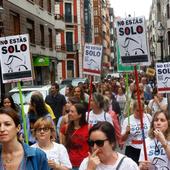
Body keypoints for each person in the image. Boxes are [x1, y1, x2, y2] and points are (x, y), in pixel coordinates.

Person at [121, 100, 152, 164]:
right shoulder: (127, 120)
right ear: (133, 109)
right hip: (132, 149)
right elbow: (122, 139)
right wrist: (126, 133)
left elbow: (152, 132)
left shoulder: (148, 117)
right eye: (137, 110)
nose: (140, 113)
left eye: (142, 110)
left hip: (146, 148)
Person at [60, 103, 89, 170]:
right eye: (69, 111)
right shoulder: (65, 128)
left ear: (80, 115)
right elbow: (63, 146)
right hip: (68, 164)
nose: (69, 113)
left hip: (84, 164)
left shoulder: (89, 128)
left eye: (72, 111)